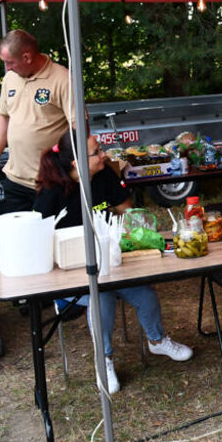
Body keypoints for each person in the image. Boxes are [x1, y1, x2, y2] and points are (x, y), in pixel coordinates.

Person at [34, 131, 193, 394]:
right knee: (102, 298)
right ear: (76, 162)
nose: (104, 155)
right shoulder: (52, 193)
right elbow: (38, 242)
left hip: (108, 261)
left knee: (144, 292)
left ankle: (157, 340)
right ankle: (104, 359)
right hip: (69, 272)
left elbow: (128, 212)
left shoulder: (105, 175)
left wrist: (139, 230)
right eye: (96, 152)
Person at [0, 29, 73, 215]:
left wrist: (69, 165)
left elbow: (79, 126)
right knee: (18, 238)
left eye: (10, 62)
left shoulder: (62, 78)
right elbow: (3, 116)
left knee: (49, 239)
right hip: (15, 179)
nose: (7, 67)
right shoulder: (10, 78)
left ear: (27, 57)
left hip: (49, 181)